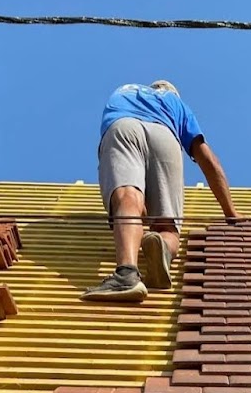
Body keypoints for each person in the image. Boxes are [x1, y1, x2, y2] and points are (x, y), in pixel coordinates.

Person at [83, 80, 241, 303]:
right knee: (168, 224)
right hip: (166, 136)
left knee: (129, 197)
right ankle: (163, 248)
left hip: (123, 126)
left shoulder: (124, 91)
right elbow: (208, 159)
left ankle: (127, 274)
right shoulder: (176, 103)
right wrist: (230, 212)